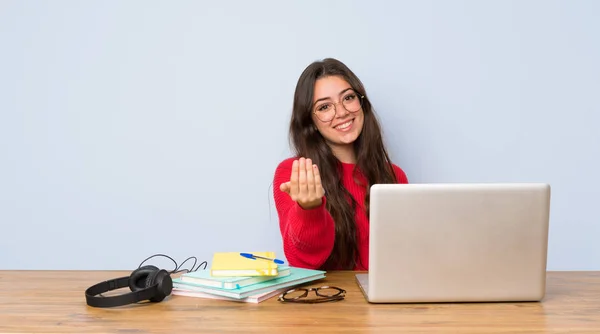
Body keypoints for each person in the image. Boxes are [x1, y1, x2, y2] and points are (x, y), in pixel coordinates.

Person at [273, 58, 409, 271]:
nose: (342, 112)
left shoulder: (394, 176)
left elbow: (405, 258)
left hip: (386, 301)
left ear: (361, 103)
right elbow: (302, 262)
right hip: (330, 301)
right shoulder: (295, 173)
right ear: (310, 121)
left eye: (348, 98)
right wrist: (310, 209)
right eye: (325, 106)